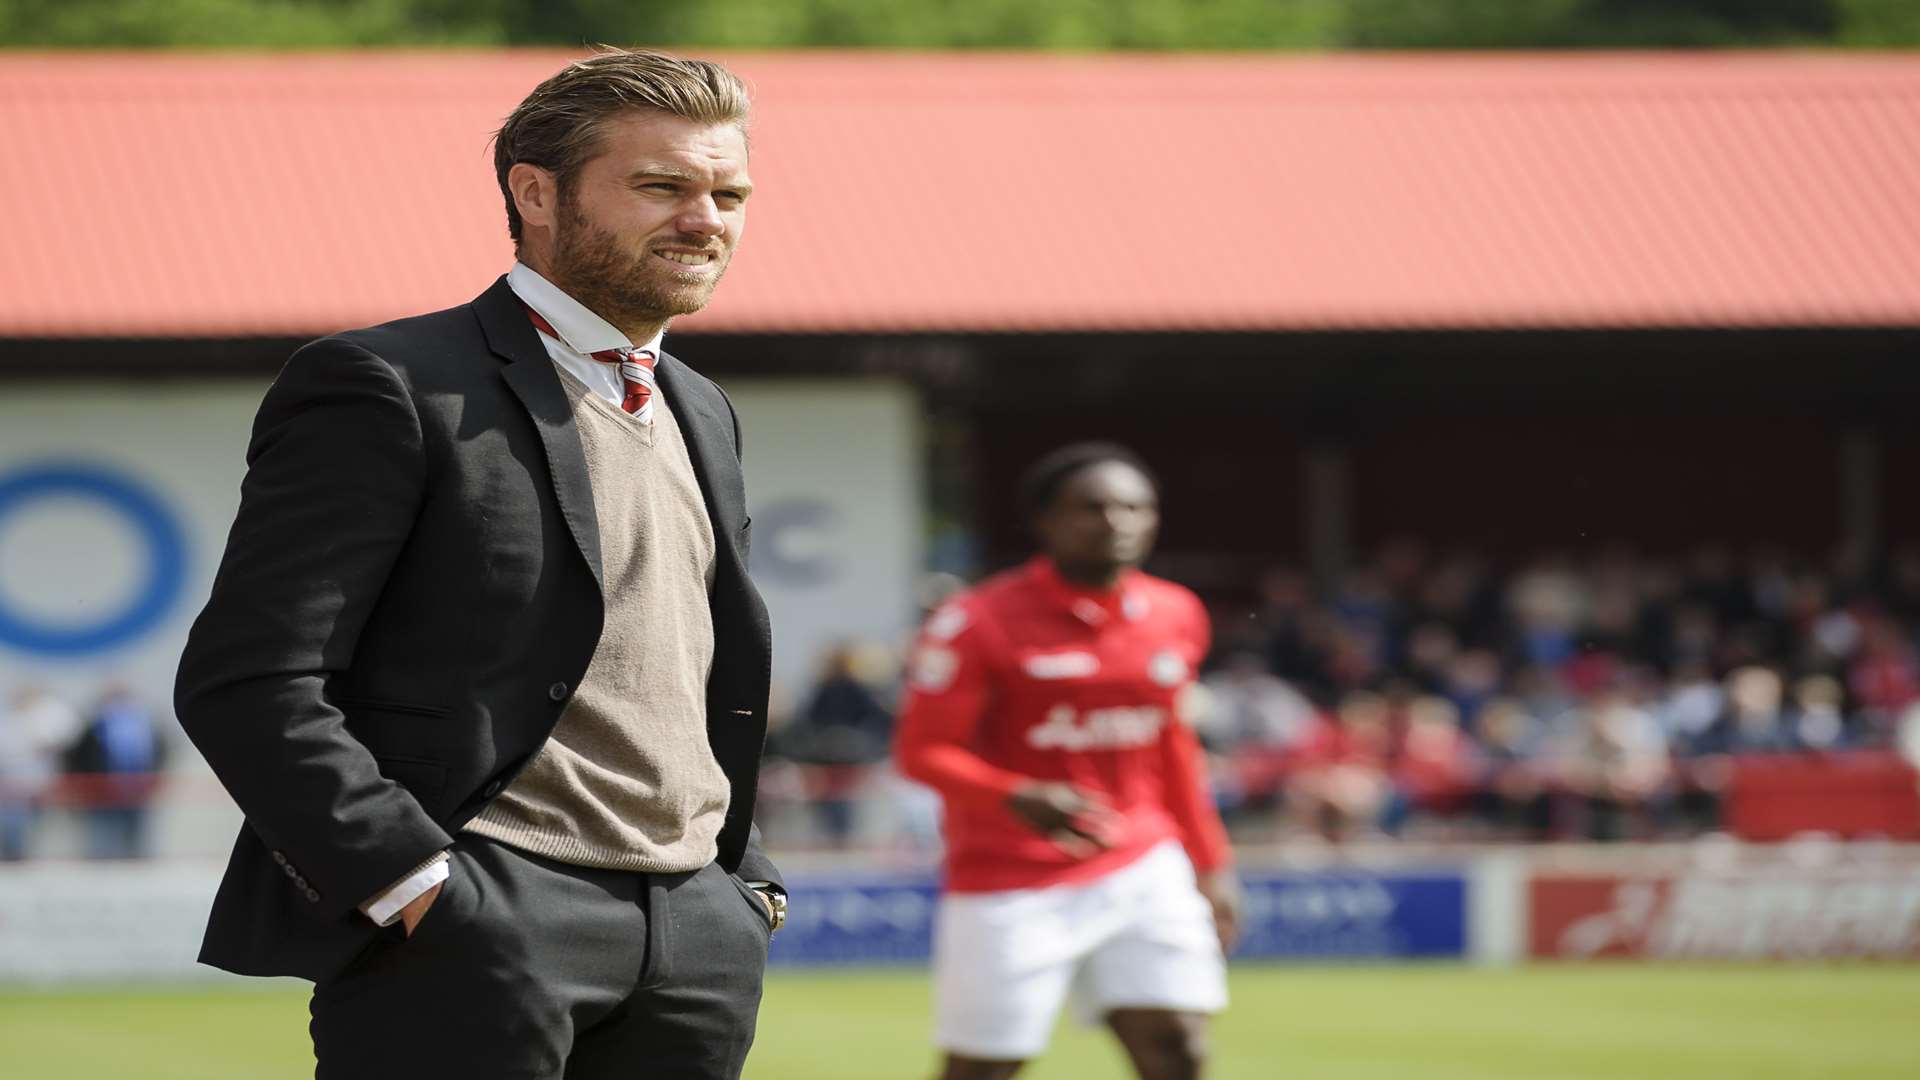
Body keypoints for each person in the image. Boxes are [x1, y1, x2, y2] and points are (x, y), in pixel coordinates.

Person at [174, 49, 782, 1080]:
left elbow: (696, 674)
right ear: (534, 194)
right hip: (483, 919)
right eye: (661, 186)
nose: (705, 218)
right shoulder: (387, 384)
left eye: (727, 192)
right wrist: (414, 882)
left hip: (696, 934)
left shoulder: (701, 407)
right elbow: (251, 679)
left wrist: (742, 886)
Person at [895, 442, 1239, 1080]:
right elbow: (921, 752)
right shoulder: (977, 621)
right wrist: (1015, 794)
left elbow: (1174, 750)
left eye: (1136, 506)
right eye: (1092, 508)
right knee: (984, 1068)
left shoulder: (1175, 612)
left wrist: (1211, 864)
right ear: (1045, 521)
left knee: (1180, 1047)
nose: (1116, 521)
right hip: (1010, 876)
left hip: (1143, 862)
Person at [64, 683, 166, 859]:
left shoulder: (145, 723)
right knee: (103, 842)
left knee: (136, 842)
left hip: (137, 792)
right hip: (101, 794)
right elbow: (77, 757)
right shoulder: (94, 726)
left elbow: (160, 750)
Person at [0, 684, 80, 861]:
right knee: (12, 827)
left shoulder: (48, 716)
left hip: (41, 785)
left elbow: (64, 734)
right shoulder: (7, 719)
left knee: (40, 829)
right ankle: (14, 859)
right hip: (9, 789)